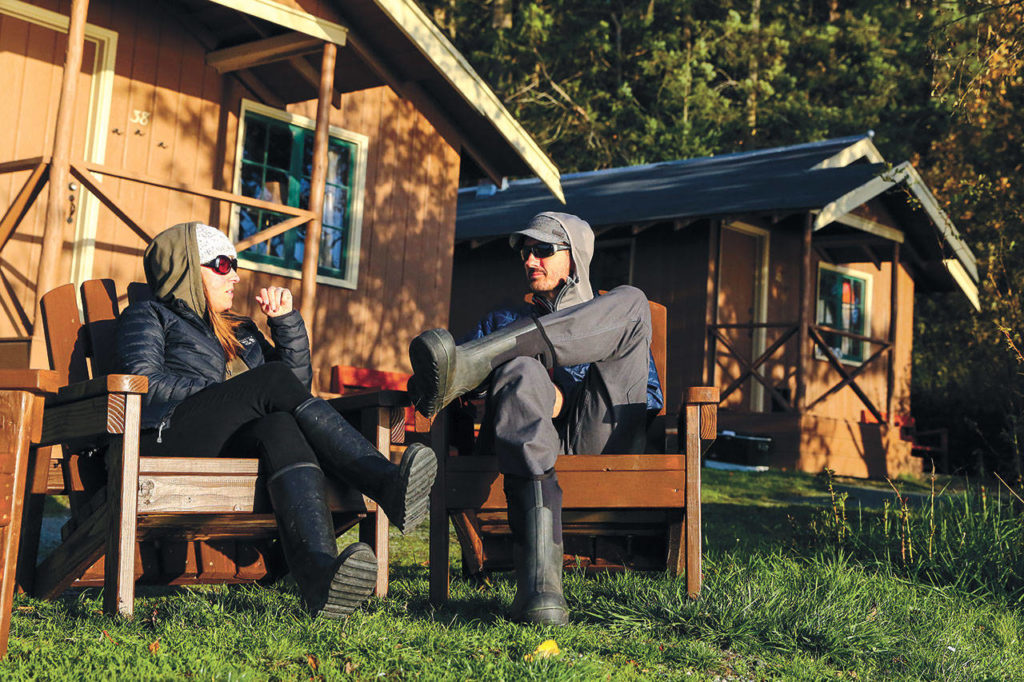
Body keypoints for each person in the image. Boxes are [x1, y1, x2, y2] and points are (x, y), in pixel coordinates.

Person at [117, 222, 437, 619]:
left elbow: (294, 388)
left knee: (279, 425)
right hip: (167, 434)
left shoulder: (242, 329)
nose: (234, 274)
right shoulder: (149, 315)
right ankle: (384, 482)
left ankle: (319, 578)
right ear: (186, 268)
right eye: (221, 264)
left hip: (230, 441)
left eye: (234, 264)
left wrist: (285, 324)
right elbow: (144, 385)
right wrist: (224, 395)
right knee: (267, 383)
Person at [407, 212, 662, 625]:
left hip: (594, 442)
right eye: (526, 252)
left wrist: (565, 399)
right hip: (516, 447)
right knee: (521, 370)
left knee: (633, 299)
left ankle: (499, 354)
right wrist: (501, 381)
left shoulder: (613, 315)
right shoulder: (501, 320)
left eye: (543, 250)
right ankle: (540, 592)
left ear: (575, 258)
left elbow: (647, 397)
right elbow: (435, 385)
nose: (530, 260)